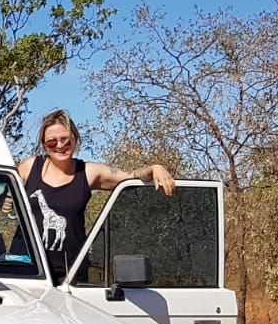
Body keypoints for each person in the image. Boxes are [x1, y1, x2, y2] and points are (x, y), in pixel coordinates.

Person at [17, 108, 175, 283]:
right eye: (52, 142)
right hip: (26, 272)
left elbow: (130, 177)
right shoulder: (29, 168)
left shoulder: (88, 172)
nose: (60, 146)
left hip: (71, 275)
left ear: (75, 139)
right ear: (43, 144)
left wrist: (154, 168)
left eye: (65, 140)